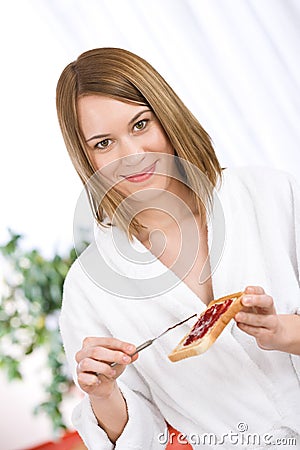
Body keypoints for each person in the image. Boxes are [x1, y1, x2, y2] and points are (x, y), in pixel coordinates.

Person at [56, 48, 300, 450]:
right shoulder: (89, 289)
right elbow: (142, 439)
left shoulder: (271, 193)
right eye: (103, 143)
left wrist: (282, 332)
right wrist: (101, 392)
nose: (132, 156)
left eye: (140, 124)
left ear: (166, 115)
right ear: (86, 158)